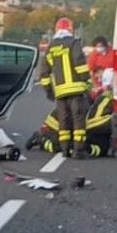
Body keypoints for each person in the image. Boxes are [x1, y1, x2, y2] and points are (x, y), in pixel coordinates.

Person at [37, 18, 91, 158]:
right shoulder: (73, 43)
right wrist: (87, 80)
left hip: (60, 92)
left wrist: (49, 91)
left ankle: (65, 149)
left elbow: (44, 72)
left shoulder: (51, 47)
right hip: (76, 89)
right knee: (78, 119)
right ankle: (78, 150)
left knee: (64, 120)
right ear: (70, 29)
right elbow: (79, 63)